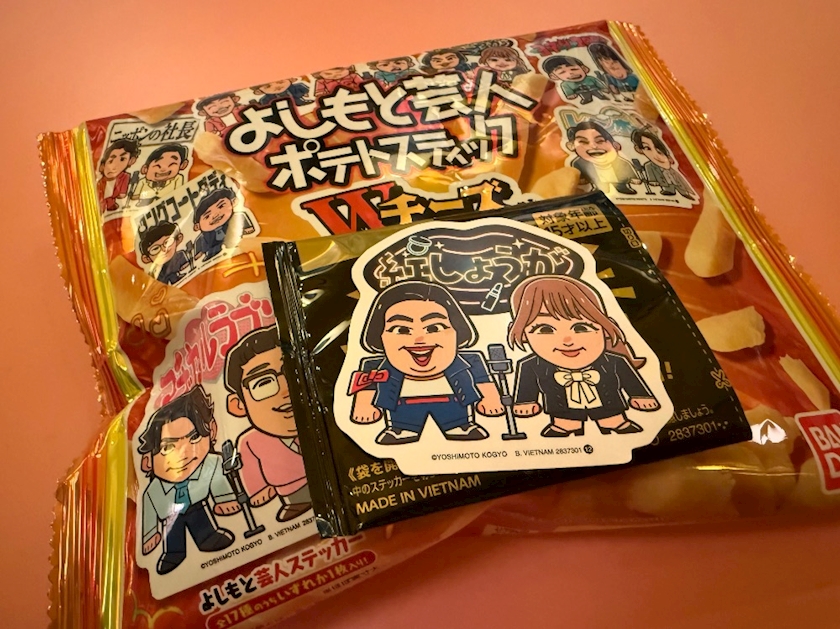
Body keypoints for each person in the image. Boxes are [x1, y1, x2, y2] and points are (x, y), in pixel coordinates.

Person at [350, 281, 504, 444]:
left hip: (452, 402)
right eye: (402, 330)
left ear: (458, 331)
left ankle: (461, 425)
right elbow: (367, 386)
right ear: (379, 336)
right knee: (403, 423)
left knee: (457, 419)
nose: (419, 339)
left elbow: (482, 380)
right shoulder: (375, 366)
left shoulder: (470, 360)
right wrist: (364, 406)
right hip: (403, 405)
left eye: (434, 328)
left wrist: (491, 399)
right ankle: (400, 428)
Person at [508, 275, 660, 438]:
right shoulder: (530, 365)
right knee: (564, 419)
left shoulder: (615, 360)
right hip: (560, 408)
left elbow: (630, 378)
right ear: (524, 334)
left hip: (610, 405)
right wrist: (525, 402)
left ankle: (614, 422)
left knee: (612, 416)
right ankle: (565, 425)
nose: (567, 340)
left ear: (604, 327)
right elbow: (527, 384)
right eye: (545, 329)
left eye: (581, 327)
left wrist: (640, 396)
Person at [137, 386, 241, 575]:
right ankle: (173, 554)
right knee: (173, 537)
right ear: (147, 461)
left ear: (211, 431)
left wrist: (224, 500)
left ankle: (207, 538)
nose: (184, 453)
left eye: (193, 437)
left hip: (197, 506)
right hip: (170, 516)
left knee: (202, 524)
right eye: (168, 447)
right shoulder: (153, 490)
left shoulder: (211, 463)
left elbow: (219, 478)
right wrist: (150, 534)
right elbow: (149, 509)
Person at [225, 326, 311, 522]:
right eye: (263, 383)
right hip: (291, 492)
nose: (286, 389)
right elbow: (249, 467)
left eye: (292, 372)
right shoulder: (250, 440)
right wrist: (259, 489)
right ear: (238, 405)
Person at [566, 121, 639, 195]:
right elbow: (579, 175)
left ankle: (622, 188)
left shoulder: (622, 162)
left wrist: (633, 178)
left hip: (620, 184)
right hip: (599, 186)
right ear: (571, 146)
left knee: (620, 186)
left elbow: (628, 170)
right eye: (584, 142)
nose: (594, 146)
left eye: (600, 141)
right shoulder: (580, 163)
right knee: (601, 190)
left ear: (615, 145)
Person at [192, 187, 254, 262]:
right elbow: (199, 253)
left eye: (221, 206)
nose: (215, 215)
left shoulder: (238, 218)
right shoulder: (203, 237)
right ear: (197, 226)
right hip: (214, 258)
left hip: (240, 250)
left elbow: (249, 230)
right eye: (207, 216)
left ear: (233, 202)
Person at [630, 128, 695, 199]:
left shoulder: (669, 164)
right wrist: (652, 181)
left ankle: (683, 192)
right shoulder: (648, 165)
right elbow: (651, 175)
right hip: (663, 184)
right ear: (639, 149)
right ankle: (669, 190)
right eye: (647, 148)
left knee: (678, 183)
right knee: (667, 184)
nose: (656, 155)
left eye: (658, 149)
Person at [543, 55, 609, 104]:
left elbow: (597, 82)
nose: (570, 73)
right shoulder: (565, 84)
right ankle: (587, 99)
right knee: (585, 96)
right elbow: (568, 91)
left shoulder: (590, 78)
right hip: (582, 92)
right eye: (562, 72)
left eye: (574, 69)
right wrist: (570, 95)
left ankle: (601, 96)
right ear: (554, 76)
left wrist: (603, 88)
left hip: (593, 89)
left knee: (598, 94)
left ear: (584, 69)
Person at [97, 138, 139, 211]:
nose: (114, 167)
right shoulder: (100, 182)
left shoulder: (125, 176)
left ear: (131, 161)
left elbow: (122, 194)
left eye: (122, 159)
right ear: (102, 166)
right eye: (110, 161)